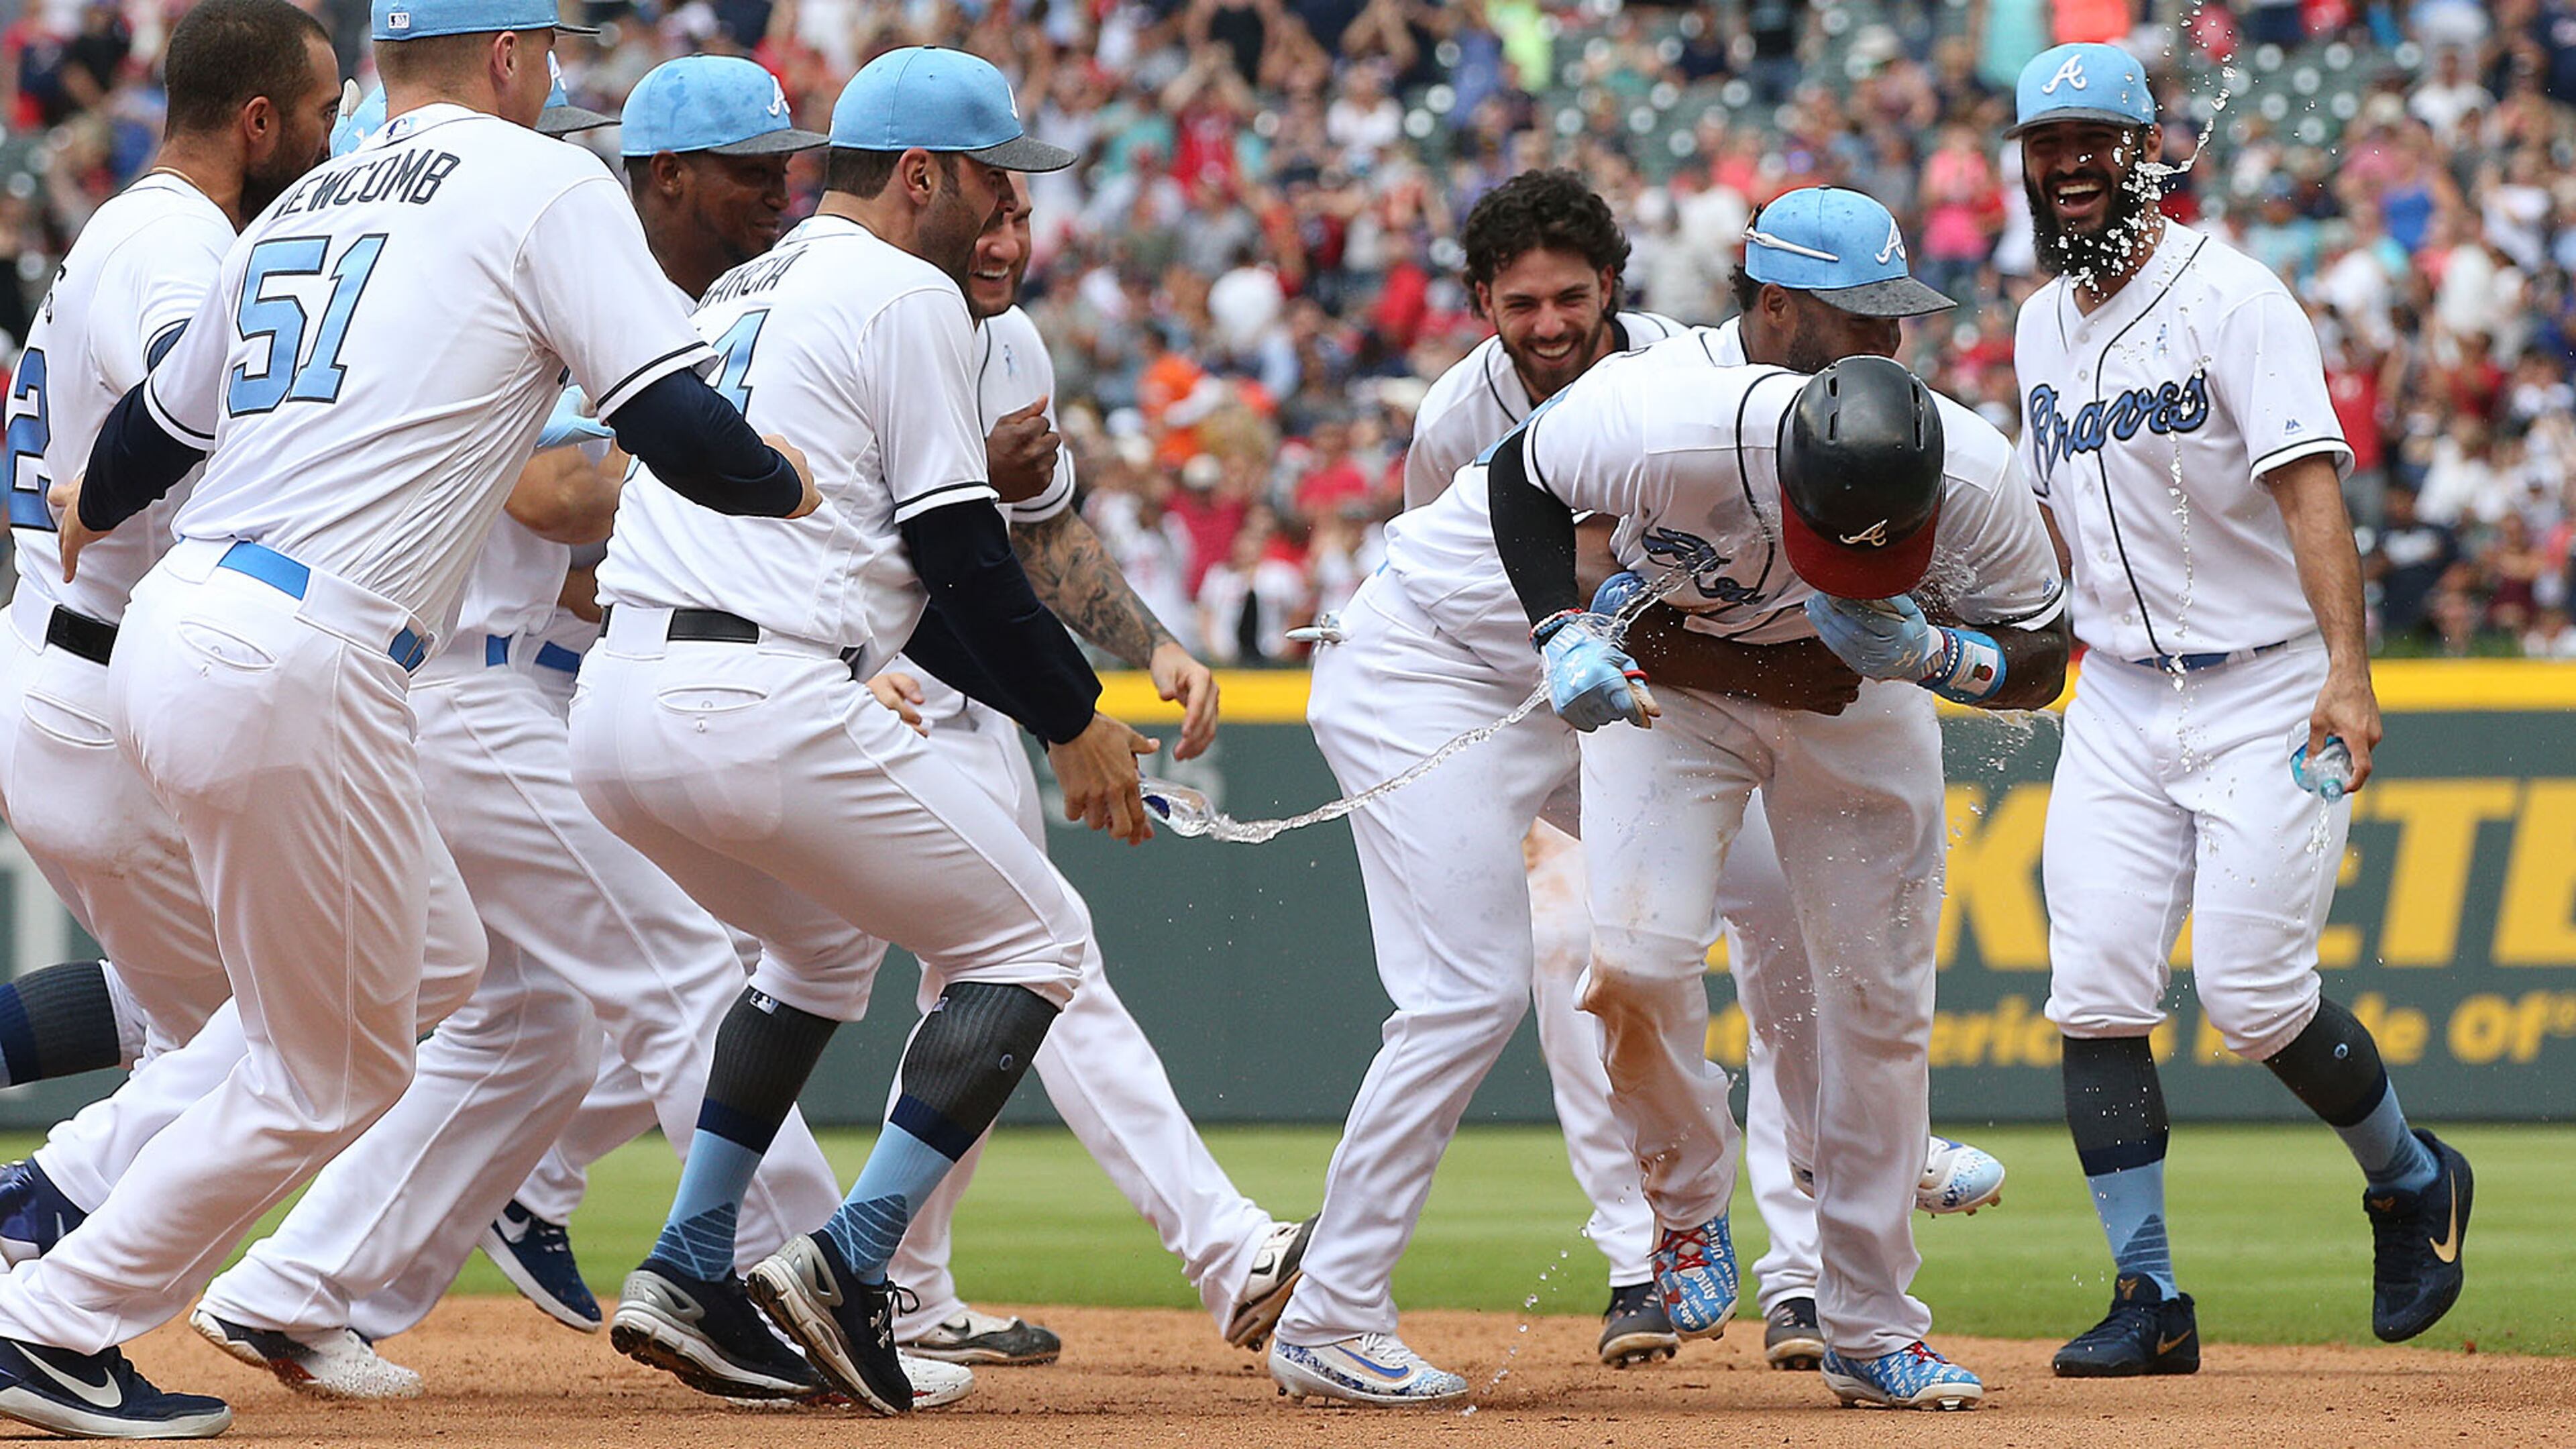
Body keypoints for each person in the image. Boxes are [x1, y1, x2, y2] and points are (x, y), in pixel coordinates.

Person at [18, 0, 818, 1432]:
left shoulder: (310, 193)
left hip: (199, 628)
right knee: (331, 1071)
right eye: (553, 48)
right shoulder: (545, 179)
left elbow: (156, 431)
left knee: (444, 960)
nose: (561, 72)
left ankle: (81, 1221)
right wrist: (785, 483)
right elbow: (675, 421)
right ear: (509, 57)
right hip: (301, 652)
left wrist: (95, 501)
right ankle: (49, 1315)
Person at [178, 54, 966, 1410]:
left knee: (529, 1029)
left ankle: (296, 1286)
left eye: (786, 162)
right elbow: (550, 492)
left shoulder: (677, 307)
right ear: (668, 178)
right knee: (688, 981)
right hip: (482, 686)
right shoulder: (560, 282)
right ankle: (796, 1286)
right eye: (746, 169)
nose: (776, 190)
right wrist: (736, 488)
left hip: (516, 681)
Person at [574, 46, 1148, 1416]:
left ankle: (692, 1262)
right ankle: (849, 1259)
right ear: (923, 176)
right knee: (1037, 942)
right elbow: (959, 548)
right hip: (757, 699)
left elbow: (908, 585)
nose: (1010, 213)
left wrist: (1050, 705)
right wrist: (1077, 717)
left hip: (620, 711)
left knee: (818, 950)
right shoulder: (901, 289)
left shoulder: (736, 287)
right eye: (994, 183)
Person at [2004, 42, 2472, 1377]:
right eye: (2050, 146)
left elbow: (2308, 485)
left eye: (2097, 140)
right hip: (2117, 700)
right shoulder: (2042, 326)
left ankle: (2409, 1179)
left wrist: (2348, 671)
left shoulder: (2234, 295)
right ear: (2027, 168)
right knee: (2092, 993)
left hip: (2267, 679)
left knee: (2257, 1001)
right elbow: (2054, 525)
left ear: (2145, 152)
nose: (2074, 165)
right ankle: (2148, 1300)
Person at [1486, 341, 2068, 1411]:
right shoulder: (1668, 420)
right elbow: (1517, 472)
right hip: (1678, 699)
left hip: (1865, 707)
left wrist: (1945, 658)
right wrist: (1560, 629)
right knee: (1630, 961)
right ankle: (1686, 1197)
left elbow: (2043, 650)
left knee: (1877, 1007)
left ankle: (1871, 1330)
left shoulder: (1979, 474)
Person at [871, 175, 1311, 1368]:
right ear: (920, 196)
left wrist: (1153, 644)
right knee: (1045, 956)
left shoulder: (1008, 343)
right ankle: (1226, 1251)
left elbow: (1043, 537)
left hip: (981, 704)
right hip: (867, 690)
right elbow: (803, 512)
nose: (1010, 238)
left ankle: (899, 1283)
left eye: (1023, 214)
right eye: (990, 209)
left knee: (976, 992)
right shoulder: (855, 309)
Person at [0, 0, 343, 1297]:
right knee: (303, 1032)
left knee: (209, 1033)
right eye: (316, 118)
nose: (328, 141)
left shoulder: (129, 228)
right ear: (255, 122)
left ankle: (58, 1279)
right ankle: (41, 1251)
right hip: (108, 693)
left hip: (71, 674)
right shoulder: (183, 244)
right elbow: (179, 417)